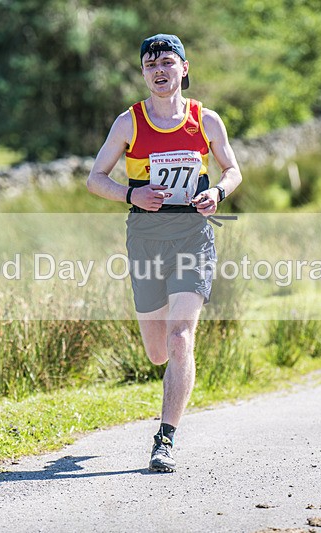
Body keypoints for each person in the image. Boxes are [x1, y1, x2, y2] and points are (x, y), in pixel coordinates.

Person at [86, 34, 243, 472]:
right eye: (150, 64)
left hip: (194, 236)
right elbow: (95, 179)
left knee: (180, 338)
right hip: (146, 239)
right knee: (157, 350)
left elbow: (233, 170)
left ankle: (165, 439)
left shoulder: (205, 120)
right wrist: (131, 193)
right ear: (143, 73)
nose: (159, 70)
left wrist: (217, 192)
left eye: (167, 63)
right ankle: (171, 373)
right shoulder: (129, 123)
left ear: (184, 69)